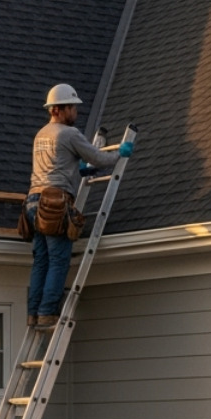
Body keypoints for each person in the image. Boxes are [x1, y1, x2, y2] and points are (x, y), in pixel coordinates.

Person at [24, 83, 131, 328]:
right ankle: (47, 312)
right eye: (72, 107)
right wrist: (121, 153)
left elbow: (56, 164)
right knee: (58, 260)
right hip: (55, 204)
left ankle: (33, 313)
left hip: (33, 203)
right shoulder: (69, 134)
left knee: (41, 260)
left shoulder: (41, 134)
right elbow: (99, 158)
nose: (76, 112)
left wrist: (78, 170)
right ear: (60, 109)